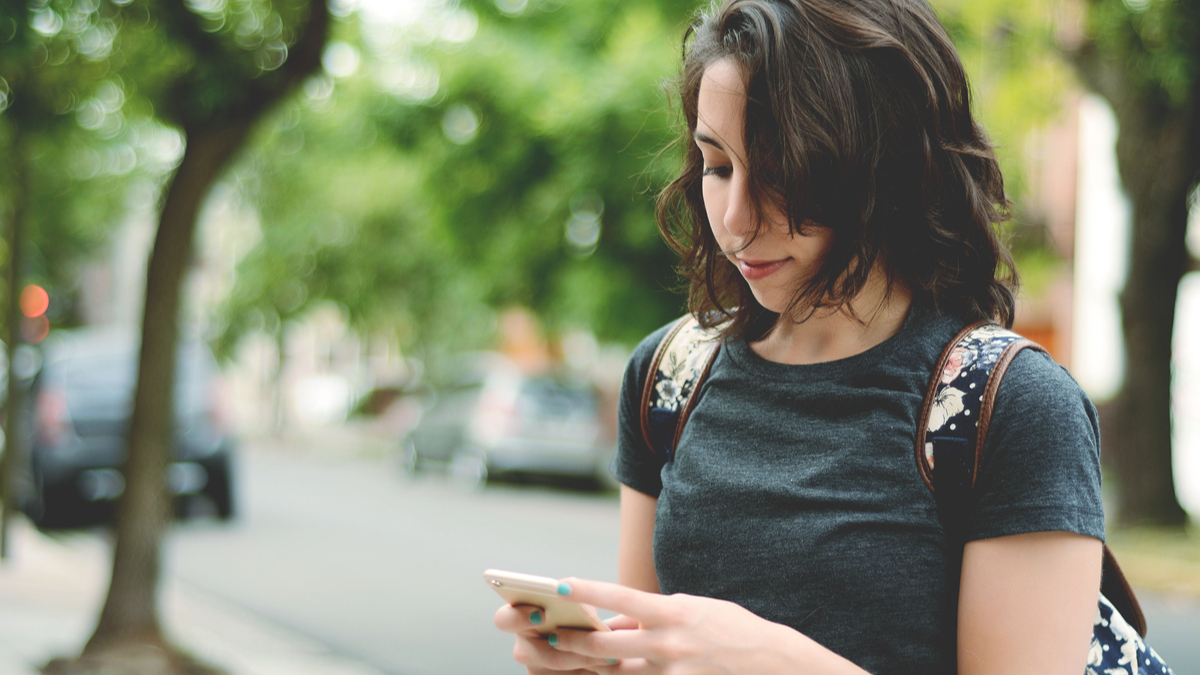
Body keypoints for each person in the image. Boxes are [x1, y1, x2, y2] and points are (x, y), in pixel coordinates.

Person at [494, 0, 1105, 673]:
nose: (736, 217)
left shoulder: (1011, 405)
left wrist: (776, 660)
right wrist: (592, 660)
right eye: (718, 165)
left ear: (885, 163)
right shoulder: (669, 375)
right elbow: (656, 646)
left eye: (783, 170)